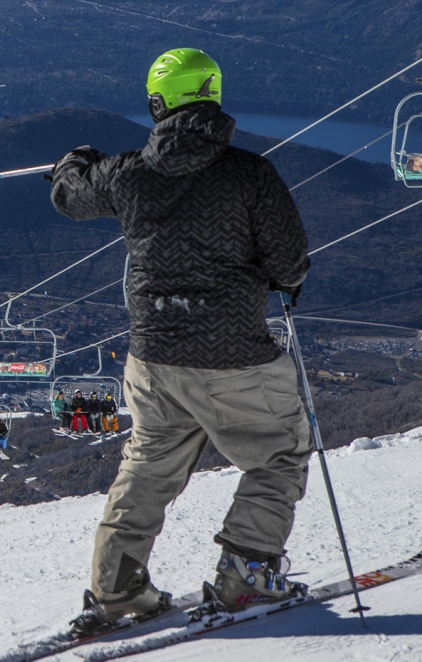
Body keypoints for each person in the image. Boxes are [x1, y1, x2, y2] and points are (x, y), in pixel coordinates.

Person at [49, 48, 312, 636]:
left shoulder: (126, 174)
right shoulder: (250, 174)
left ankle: (116, 592)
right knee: (279, 457)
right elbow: (290, 261)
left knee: (147, 465)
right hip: (233, 359)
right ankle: (245, 575)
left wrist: (74, 163)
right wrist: (277, 282)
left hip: (153, 358)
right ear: (212, 97)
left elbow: (69, 197)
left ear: (157, 103)